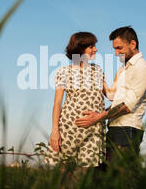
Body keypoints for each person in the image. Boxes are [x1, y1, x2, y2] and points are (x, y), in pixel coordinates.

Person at [75, 26, 146, 168]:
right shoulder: (124, 69)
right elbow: (114, 98)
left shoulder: (141, 68)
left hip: (127, 130)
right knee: (106, 180)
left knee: (122, 179)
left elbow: (126, 106)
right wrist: (99, 77)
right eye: (115, 49)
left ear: (132, 44)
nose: (116, 53)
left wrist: (98, 117)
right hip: (115, 128)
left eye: (119, 48)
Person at [44, 32, 116, 175]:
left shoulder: (97, 70)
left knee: (85, 177)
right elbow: (57, 103)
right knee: (65, 175)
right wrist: (55, 132)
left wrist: (122, 74)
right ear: (79, 49)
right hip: (69, 129)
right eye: (91, 46)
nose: (95, 49)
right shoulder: (63, 72)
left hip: (93, 129)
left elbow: (111, 95)